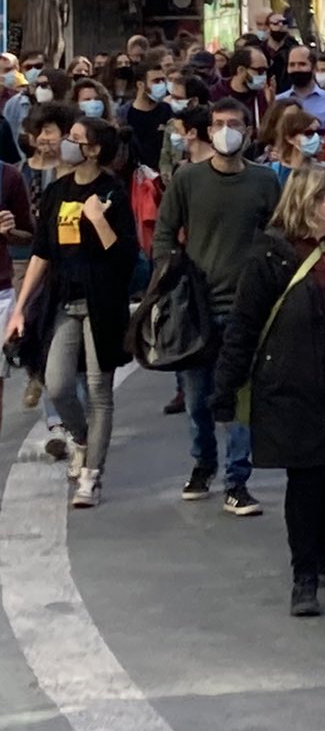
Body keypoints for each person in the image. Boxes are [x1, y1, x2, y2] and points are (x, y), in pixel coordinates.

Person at [211, 165, 325, 616]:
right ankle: (305, 576)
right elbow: (244, 326)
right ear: (310, 203)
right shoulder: (272, 257)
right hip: (294, 387)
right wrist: (226, 387)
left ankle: (322, 550)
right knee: (307, 479)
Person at [152, 96, 281, 516]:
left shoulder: (265, 181)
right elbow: (165, 233)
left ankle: (237, 480)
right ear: (208, 131)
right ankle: (203, 462)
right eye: (219, 123)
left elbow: (277, 234)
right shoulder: (187, 180)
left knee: (239, 399)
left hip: (248, 308)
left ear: (248, 131)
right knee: (197, 398)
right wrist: (172, 279)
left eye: (235, 123)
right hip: (197, 310)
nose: (227, 130)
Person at [4, 116, 138, 507]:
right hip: (63, 299)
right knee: (58, 383)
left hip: (102, 302)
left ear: (93, 150)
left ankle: (92, 476)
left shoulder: (112, 191)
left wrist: (97, 219)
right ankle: (80, 438)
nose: (65, 142)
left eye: (75, 139)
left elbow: (125, 256)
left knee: (99, 390)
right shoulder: (58, 191)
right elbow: (42, 251)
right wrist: (22, 306)